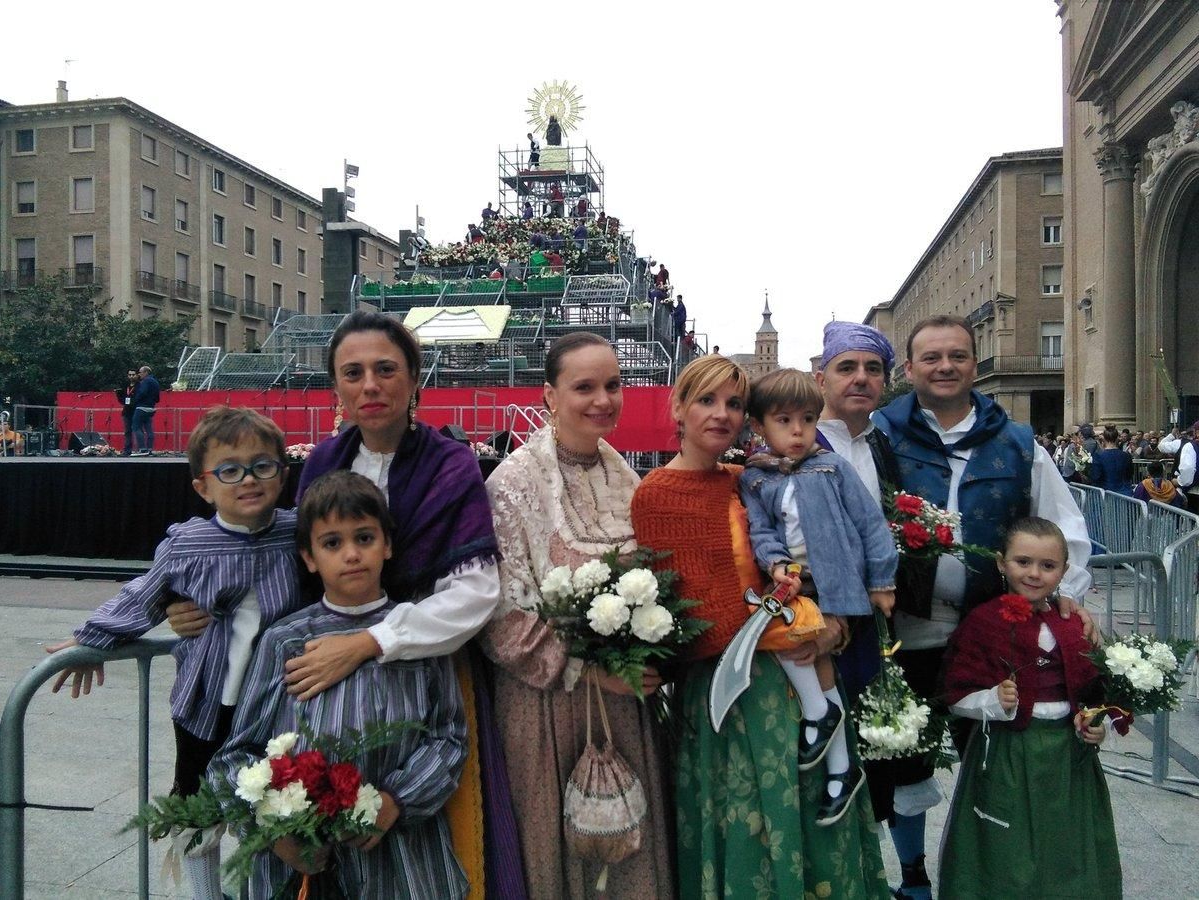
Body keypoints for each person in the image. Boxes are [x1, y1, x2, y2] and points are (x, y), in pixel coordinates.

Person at [167, 310, 522, 899]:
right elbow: (269, 548)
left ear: (413, 379)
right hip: (314, 675)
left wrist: (370, 641)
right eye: (352, 372)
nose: (370, 385)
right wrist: (188, 602)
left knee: (413, 852)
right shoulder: (325, 464)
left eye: (386, 369)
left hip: (421, 668)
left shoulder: (449, 465)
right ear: (335, 385)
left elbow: (476, 591)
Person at [632, 355, 889, 899]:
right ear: (678, 408)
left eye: (732, 403)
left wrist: (834, 627)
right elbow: (672, 615)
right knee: (746, 832)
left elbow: (832, 550)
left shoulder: (754, 479)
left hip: (801, 668)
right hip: (728, 689)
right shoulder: (656, 494)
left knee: (817, 821)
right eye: (706, 400)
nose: (721, 414)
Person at [872, 314, 1093, 900]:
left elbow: (1061, 527)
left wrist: (1067, 594)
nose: (945, 367)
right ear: (910, 368)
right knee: (904, 751)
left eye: (957, 356)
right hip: (906, 628)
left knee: (996, 754)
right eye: (931, 357)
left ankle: (995, 873)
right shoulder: (879, 435)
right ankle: (913, 876)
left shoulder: (1018, 442)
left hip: (995, 630)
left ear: (975, 362)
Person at [49, 406, 302, 900]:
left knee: (273, 807)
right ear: (203, 487)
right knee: (197, 805)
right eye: (229, 470)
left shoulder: (299, 534)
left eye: (262, 465)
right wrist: (91, 640)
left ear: (282, 473)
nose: (247, 479)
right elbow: (142, 595)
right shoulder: (187, 544)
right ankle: (206, 893)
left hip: (277, 707)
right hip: (205, 703)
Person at [209, 471, 468, 899]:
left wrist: (396, 801)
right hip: (298, 866)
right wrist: (274, 833)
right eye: (332, 543)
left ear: (387, 544)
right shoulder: (285, 641)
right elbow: (237, 754)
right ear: (309, 557)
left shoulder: (417, 632)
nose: (351, 554)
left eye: (364, 538)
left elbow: (449, 737)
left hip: (401, 857)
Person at [481, 332, 672, 899]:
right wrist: (588, 670)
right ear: (549, 396)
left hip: (625, 703)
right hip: (546, 705)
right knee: (558, 849)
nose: (603, 400)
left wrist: (646, 654)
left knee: (627, 847)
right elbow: (500, 613)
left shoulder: (629, 481)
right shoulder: (512, 485)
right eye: (584, 386)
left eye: (612, 385)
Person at [740, 368, 898, 824]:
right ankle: (840, 767)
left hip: (836, 581)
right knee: (795, 644)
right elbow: (761, 530)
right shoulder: (756, 478)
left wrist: (882, 581)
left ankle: (824, 727)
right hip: (793, 583)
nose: (797, 431)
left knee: (818, 652)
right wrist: (774, 563)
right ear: (760, 427)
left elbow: (871, 523)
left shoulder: (831, 467)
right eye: (784, 421)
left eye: (807, 420)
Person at [938, 517, 1120, 899]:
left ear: (1064, 571)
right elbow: (956, 694)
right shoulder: (984, 622)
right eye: (1023, 562)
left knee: (1067, 841)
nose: (1034, 574)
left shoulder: (1073, 624)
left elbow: (1093, 691)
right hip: (1009, 753)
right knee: (1007, 843)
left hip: (1069, 758)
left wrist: (1095, 724)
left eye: (1048, 566)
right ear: (1002, 563)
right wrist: (992, 700)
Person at [1088, 425, 1134, 494]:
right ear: (1117, 438)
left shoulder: (1098, 456)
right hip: (1125, 494)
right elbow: (1129, 474)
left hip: (1106, 494)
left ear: (1104, 439)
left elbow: (1095, 476)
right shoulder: (1126, 455)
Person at [131, 364, 161, 455]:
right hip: (151, 408)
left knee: (136, 427)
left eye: (140, 372)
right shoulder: (155, 382)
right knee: (149, 429)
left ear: (146, 372)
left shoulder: (145, 381)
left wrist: (135, 400)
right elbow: (157, 398)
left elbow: (142, 393)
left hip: (141, 407)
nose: (139, 374)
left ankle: (142, 449)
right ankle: (150, 449)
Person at [116, 368, 138, 455]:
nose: (131, 376)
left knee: (138, 431)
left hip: (136, 410)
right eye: (130, 375)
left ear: (137, 375)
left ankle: (140, 449)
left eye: (133, 374)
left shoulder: (139, 385)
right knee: (127, 431)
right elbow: (122, 400)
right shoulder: (125, 386)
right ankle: (127, 450)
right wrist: (118, 395)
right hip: (126, 411)